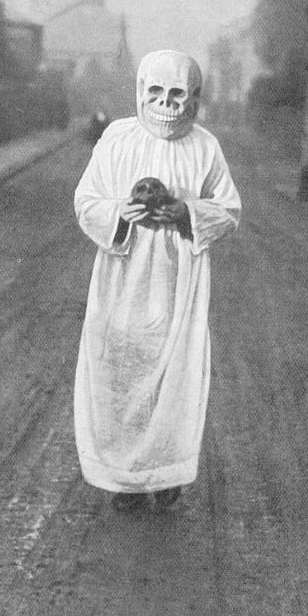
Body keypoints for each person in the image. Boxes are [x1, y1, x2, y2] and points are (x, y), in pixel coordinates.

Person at [73, 48, 241, 512]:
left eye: (178, 95)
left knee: (173, 370)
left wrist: (186, 213)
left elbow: (229, 209)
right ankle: (123, 477)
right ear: (140, 94)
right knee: (122, 368)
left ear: (195, 100)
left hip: (177, 277)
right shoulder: (116, 139)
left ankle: (165, 470)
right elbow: (86, 200)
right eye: (157, 93)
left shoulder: (205, 147)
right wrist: (118, 215)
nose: (167, 104)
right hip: (122, 274)